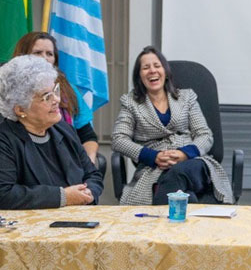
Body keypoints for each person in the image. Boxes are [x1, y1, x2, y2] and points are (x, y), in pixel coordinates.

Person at [112, 46, 234, 205]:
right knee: (186, 195)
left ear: (165, 71)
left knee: (176, 174)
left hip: (194, 162)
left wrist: (184, 154)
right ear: (139, 75)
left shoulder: (186, 97)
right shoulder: (131, 103)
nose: (152, 71)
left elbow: (205, 134)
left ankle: (164, 224)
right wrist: (152, 156)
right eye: (146, 67)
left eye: (157, 66)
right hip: (156, 168)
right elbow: (118, 139)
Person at [0, 55, 103, 209]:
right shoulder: (5, 140)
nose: (56, 100)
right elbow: (4, 194)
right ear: (20, 109)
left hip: (77, 217)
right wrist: (64, 197)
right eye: (46, 96)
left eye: (55, 91)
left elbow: (93, 174)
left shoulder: (64, 129)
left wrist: (88, 193)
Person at [13, 32, 99, 165]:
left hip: (69, 164)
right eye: (37, 53)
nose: (44, 58)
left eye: (49, 54)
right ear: (23, 56)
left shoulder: (68, 90)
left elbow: (87, 136)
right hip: (24, 163)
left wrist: (89, 162)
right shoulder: (10, 91)